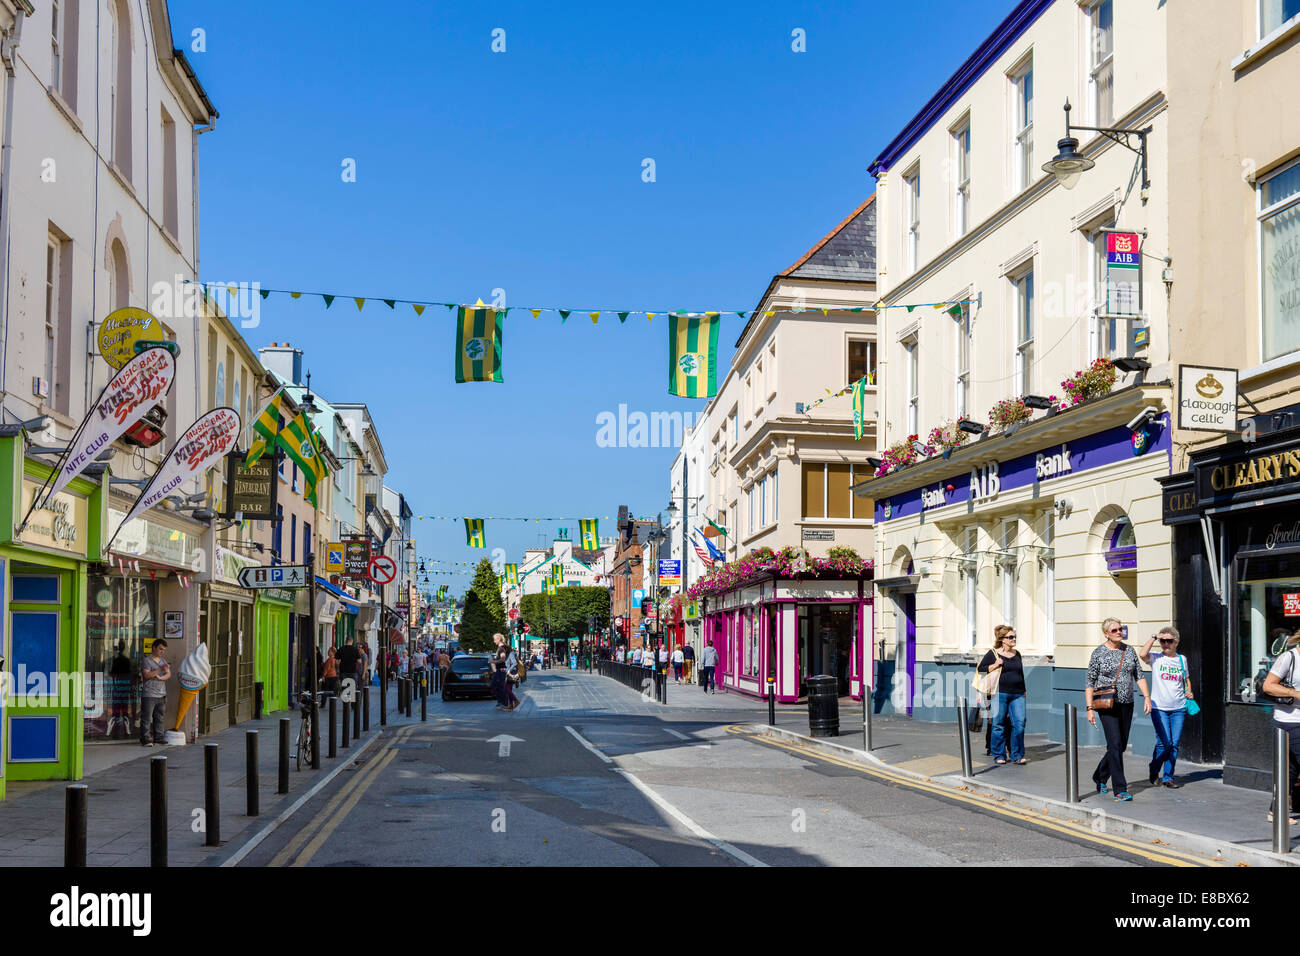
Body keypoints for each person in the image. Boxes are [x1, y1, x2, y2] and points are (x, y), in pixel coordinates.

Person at [1085, 618, 1152, 802]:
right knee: (1114, 744)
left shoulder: (1128, 650)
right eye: (1114, 630)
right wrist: (1089, 708)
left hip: (1126, 703)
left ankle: (1099, 776)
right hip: (1106, 705)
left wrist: (1147, 698)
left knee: (1120, 746)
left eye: (1120, 629)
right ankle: (1120, 789)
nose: (1118, 632)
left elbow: (1139, 675)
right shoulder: (1098, 653)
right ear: (1106, 633)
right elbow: (1090, 682)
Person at [1140, 626, 1194, 788]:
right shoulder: (1156, 658)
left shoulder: (1181, 659)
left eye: (1169, 641)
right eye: (1163, 641)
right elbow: (1142, 654)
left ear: (1176, 642)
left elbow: (1186, 679)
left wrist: (1189, 691)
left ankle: (1168, 777)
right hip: (1159, 708)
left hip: (1178, 707)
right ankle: (1154, 768)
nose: (1165, 644)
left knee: (1174, 743)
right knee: (1164, 743)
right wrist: (1154, 636)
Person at [1262, 627, 1300, 824]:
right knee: (1291, 767)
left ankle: (1275, 811)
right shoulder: (1289, 657)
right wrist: (1295, 694)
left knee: (1291, 769)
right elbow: (1268, 685)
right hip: (1289, 720)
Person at [978, 626, 1026, 765]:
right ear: (1002, 640)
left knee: (1020, 724)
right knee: (998, 725)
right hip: (999, 694)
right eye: (1010, 637)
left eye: (1014, 636)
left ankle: (1017, 754)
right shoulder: (993, 654)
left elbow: (1020, 674)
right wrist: (995, 665)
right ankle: (999, 754)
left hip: (1018, 695)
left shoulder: (1017, 654)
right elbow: (981, 670)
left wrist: (1024, 692)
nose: (1014, 639)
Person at [140, 638, 171, 747]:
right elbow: (147, 675)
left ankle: (159, 737)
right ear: (154, 648)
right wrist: (160, 669)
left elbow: (168, 674)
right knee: (147, 718)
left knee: (159, 717)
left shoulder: (163, 661)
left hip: (161, 693)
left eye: (163, 650)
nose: (162, 652)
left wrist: (160, 679)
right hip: (149, 694)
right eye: (160, 649)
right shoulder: (147, 660)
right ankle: (146, 739)